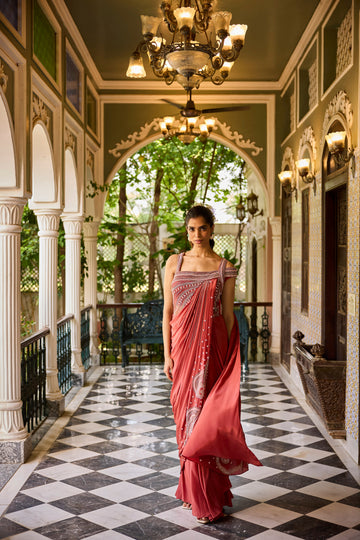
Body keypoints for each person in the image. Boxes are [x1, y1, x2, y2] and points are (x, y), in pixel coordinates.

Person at [162, 204, 261, 524]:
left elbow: (229, 316)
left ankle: (206, 497)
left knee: (206, 423)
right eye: (191, 229)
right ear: (186, 231)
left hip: (213, 352)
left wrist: (230, 358)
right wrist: (167, 354)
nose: (196, 235)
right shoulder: (174, 263)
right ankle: (190, 489)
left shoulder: (224, 267)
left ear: (211, 230)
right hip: (183, 351)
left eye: (202, 228)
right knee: (184, 421)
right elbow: (167, 312)